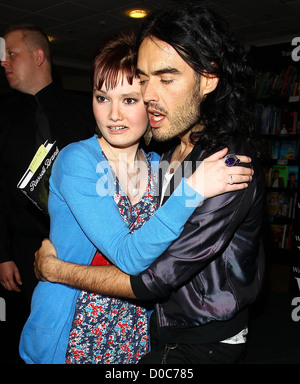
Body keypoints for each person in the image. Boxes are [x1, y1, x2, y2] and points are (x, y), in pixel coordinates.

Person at [19, 26, 253, 364]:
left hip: (137, 330)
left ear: (151, 104)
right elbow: (129, 256)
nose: (113, 114)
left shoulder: (162, 165)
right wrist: (194, 188)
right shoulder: (77, 161)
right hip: (75, 328)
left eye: (129, 100)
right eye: (102, 97)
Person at [0, 24, 95, 363]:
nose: (4, 62)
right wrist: (2, 254)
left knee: (73, 329)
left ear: (38, 56)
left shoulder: (86, 112)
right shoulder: (3, 116)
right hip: (22, 248)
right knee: (23, 331)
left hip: (79, 244)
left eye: (11, 54)